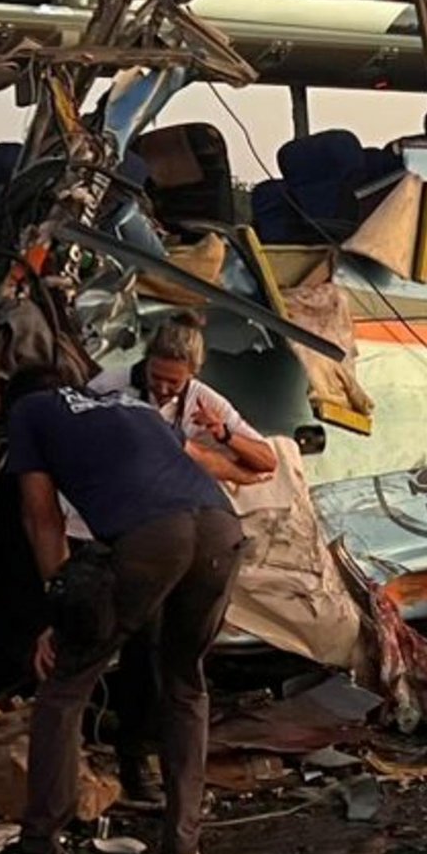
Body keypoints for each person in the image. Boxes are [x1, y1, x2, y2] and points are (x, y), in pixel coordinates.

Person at [2, 376, 244, 854]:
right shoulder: (134, 407)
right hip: (222, 529)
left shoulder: (28, 412)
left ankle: (40, 852)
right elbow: (189, 468)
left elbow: (41, 516)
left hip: (154, 536)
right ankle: (182, 848)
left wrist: (58, 606)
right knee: (185, 684)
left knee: (66, 685)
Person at [102, 316, 278, 806]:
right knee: (136, 641)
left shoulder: (202, 402)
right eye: (156, 377)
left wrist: (217, 437)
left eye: (172, 383)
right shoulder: (111, 387)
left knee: (173, 650)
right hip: (120, 528)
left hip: (184, 535)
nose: (161, 388)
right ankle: (132, 756)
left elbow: (263, 463)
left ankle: (148, 757)